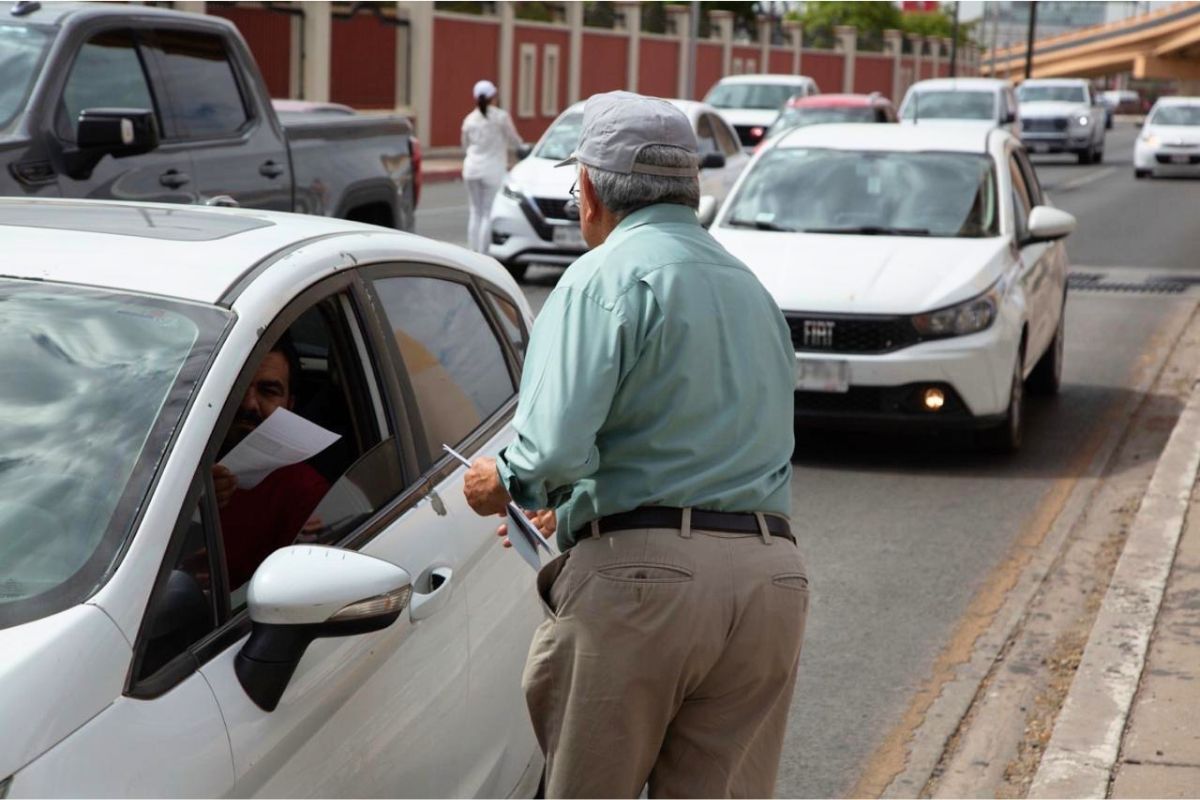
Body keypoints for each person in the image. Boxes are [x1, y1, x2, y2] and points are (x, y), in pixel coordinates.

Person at [462, 91, 807, 798]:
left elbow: (550, 451)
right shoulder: (751, 289)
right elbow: (711, 444)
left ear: (589, 190)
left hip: (644, 588)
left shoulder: (601, 277)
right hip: (771, 582)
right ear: (689, 188)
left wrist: (502, 481)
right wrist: (579, 502)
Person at [212, 337, 329, 589]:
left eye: (268, 391)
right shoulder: (165, 465)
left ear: (289, 406)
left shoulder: (304, 492)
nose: (249, 404)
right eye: (237, 386)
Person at [461, 79, 522, 254]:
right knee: (487, 213)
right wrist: (522, 148)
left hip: (471, 169)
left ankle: (472, 251)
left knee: (475, 211)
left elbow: (464, 145)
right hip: (492, 170)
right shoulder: (501, 117)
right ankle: (482, 254)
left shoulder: (469, 119)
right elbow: (514, 140)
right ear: (493, 97)